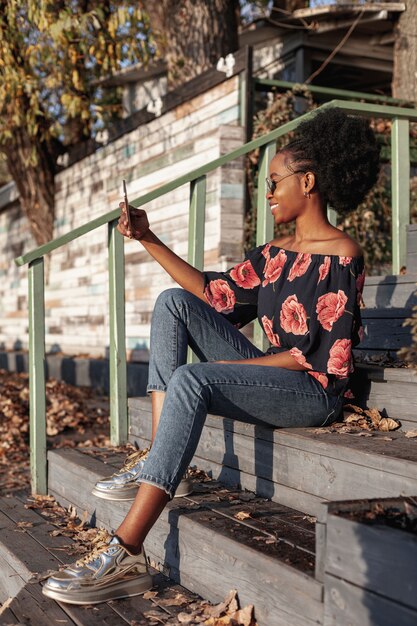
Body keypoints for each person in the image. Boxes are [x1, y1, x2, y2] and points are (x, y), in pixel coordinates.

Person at [42, 107, 380, 605]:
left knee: (193, 379)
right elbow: (214, 294)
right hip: (275, 370)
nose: (267, 193)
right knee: (173, 303)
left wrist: (223, 368)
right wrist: (147, 236)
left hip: (312, 393)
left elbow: (320, 363)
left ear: (307, 182)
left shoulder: (342, 255)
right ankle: (159, 458)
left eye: (274, 182)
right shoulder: (274, 254)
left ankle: (127, 551)